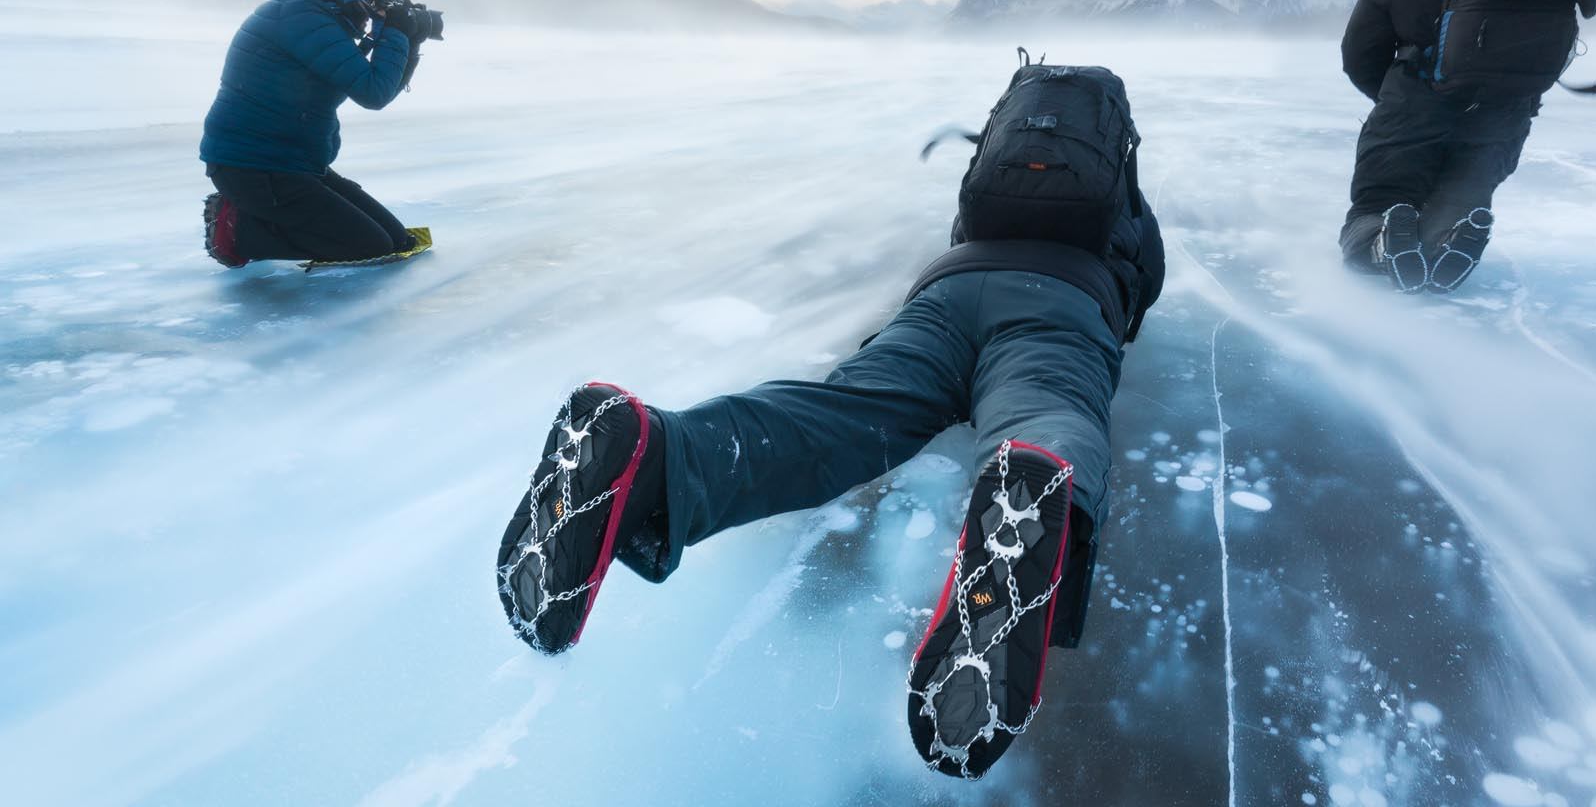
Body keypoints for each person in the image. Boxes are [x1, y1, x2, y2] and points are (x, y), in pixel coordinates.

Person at [493, 58, 1164, 779]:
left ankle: (657, 450)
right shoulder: (1116, 193)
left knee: (839, 416)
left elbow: (964, 227)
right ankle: (1025, 486)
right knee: (1046, 411)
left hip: (945, 294)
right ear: (1116, 137)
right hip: (1063, 306)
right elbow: (1142, 283)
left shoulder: (994, 170)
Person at [1338, 0, 1596, 293]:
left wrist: (1393, 98)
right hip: (1505, 119)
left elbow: (1358, 54)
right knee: (1460, 198)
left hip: (1413, 107)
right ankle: (1447, 240)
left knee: (1377, 203)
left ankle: (1382, 242)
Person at [199, 0, 433, 267]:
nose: (370, 7)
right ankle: (238, 232)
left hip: (291, 162)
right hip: (252, 166)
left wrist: (408, 41)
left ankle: (259, 215)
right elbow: (373, 92)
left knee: (400, 241)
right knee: (374, 248)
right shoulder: (299, 18)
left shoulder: (315, 16)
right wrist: (395, 32)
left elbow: (378, 84)